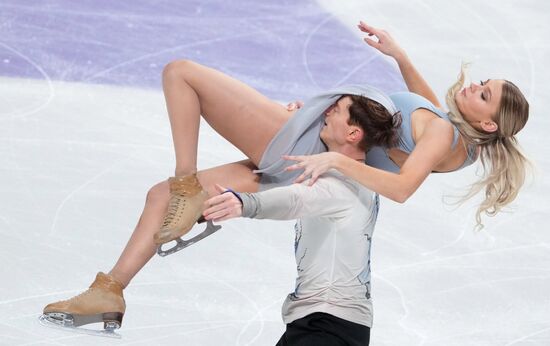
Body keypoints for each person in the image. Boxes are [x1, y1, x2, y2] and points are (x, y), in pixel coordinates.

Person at [42, 21, 530, 331]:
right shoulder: (459, 144)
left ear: (488, 122)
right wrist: (401, 57)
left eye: (484, 93)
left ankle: (187, 183)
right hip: (312, 159)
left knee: (181, 72)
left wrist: (338, 159)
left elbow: (403, 189)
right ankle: (110, 290)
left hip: (310, 145)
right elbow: (426, 110)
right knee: (158, 197)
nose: (475, 85)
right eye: (484, 82)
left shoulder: (443, 137)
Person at [200, 94, 401, 346]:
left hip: (327, 326)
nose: (327, 113)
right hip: (327, 323)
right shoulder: (362, 176)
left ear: (353, 134)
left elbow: (296, 199)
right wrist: (305, 117)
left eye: (336, 111)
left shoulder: (343, 185)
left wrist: (245, 203)